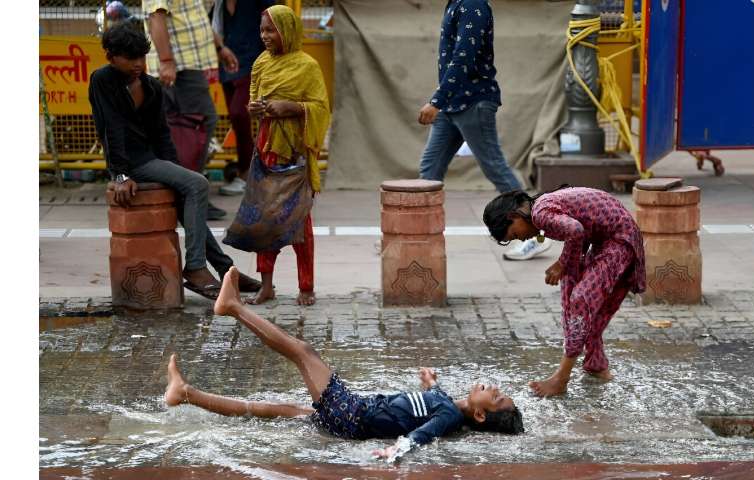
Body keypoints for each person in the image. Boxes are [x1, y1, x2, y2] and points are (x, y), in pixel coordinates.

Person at [165, 267, 524, 461]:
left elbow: (420, 435)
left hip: (352, 413)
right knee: (274, 409)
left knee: (303, 352)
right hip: (351, 419)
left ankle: (232, 307)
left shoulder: (447, 417)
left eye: (495, 398)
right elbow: (433, 400)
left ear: (479, 415)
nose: (494, 388)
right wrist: (429, 380)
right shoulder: (447, 405)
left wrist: (396, 450)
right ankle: (185, 394)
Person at [89, 22, 262, 299]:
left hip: (152, 159)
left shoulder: (152, 86)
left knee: (186, 194)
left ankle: (226, 269)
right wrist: (120, 175)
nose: (137, 64)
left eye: (141, 58)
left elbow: (162, 134)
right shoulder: (102, 80)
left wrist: (175, 171)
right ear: (110, 56)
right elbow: (111, 127)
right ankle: (195, 268)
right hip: (132, 163)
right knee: (198, 184)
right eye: (129, 58)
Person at [416, 0, 550, 263]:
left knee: (495, 168)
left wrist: (437, 101)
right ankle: (414, 232)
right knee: (429, 168)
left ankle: (535, 236)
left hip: (472, 102)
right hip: (454, 103)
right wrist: (443, 101)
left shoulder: (472, 4)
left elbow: (464, 56)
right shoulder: (457, 4)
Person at [482, 187, 646, 397]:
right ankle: (596, 366)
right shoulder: (540, 210)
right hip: (600, 241)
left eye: (515, 234)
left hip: (619, 241)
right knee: (571, 298)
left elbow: (576, 230)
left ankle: (562, 378)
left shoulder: (540, 214)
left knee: (581, 300)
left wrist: (561, 264)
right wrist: (568, 268)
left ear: (513, 216)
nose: (521, 240)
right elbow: (582, 227)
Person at [222, 5, 329, 307]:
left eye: (271, 30)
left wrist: (292, 108)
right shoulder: (259, 63)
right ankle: (266, 285)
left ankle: (306, 286)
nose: (265, 36)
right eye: (262, 30)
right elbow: (255, 102)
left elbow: (320, 108)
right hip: (266, 150)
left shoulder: (307, 66)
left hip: (295, 155)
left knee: (300, 223)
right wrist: (255, 109)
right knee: (263, 222)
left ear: (288, 31)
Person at [142, 0, 233, 220]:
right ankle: (189, 194)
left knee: (188, 130)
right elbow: (156, 17)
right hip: (179, 67)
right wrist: (166, 60)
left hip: (187, 65)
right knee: (196, 128)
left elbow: (194, 16)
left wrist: (220, 47)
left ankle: (186, 193)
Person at [210, 0, 275, 196]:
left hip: (253, 64)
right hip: (227, 66)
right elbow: (210, 27)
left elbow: (273, 26)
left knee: (241, 113)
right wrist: (220, 49)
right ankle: (246, 170)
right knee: (236, 118)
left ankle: (248, 172)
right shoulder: (218, 4)